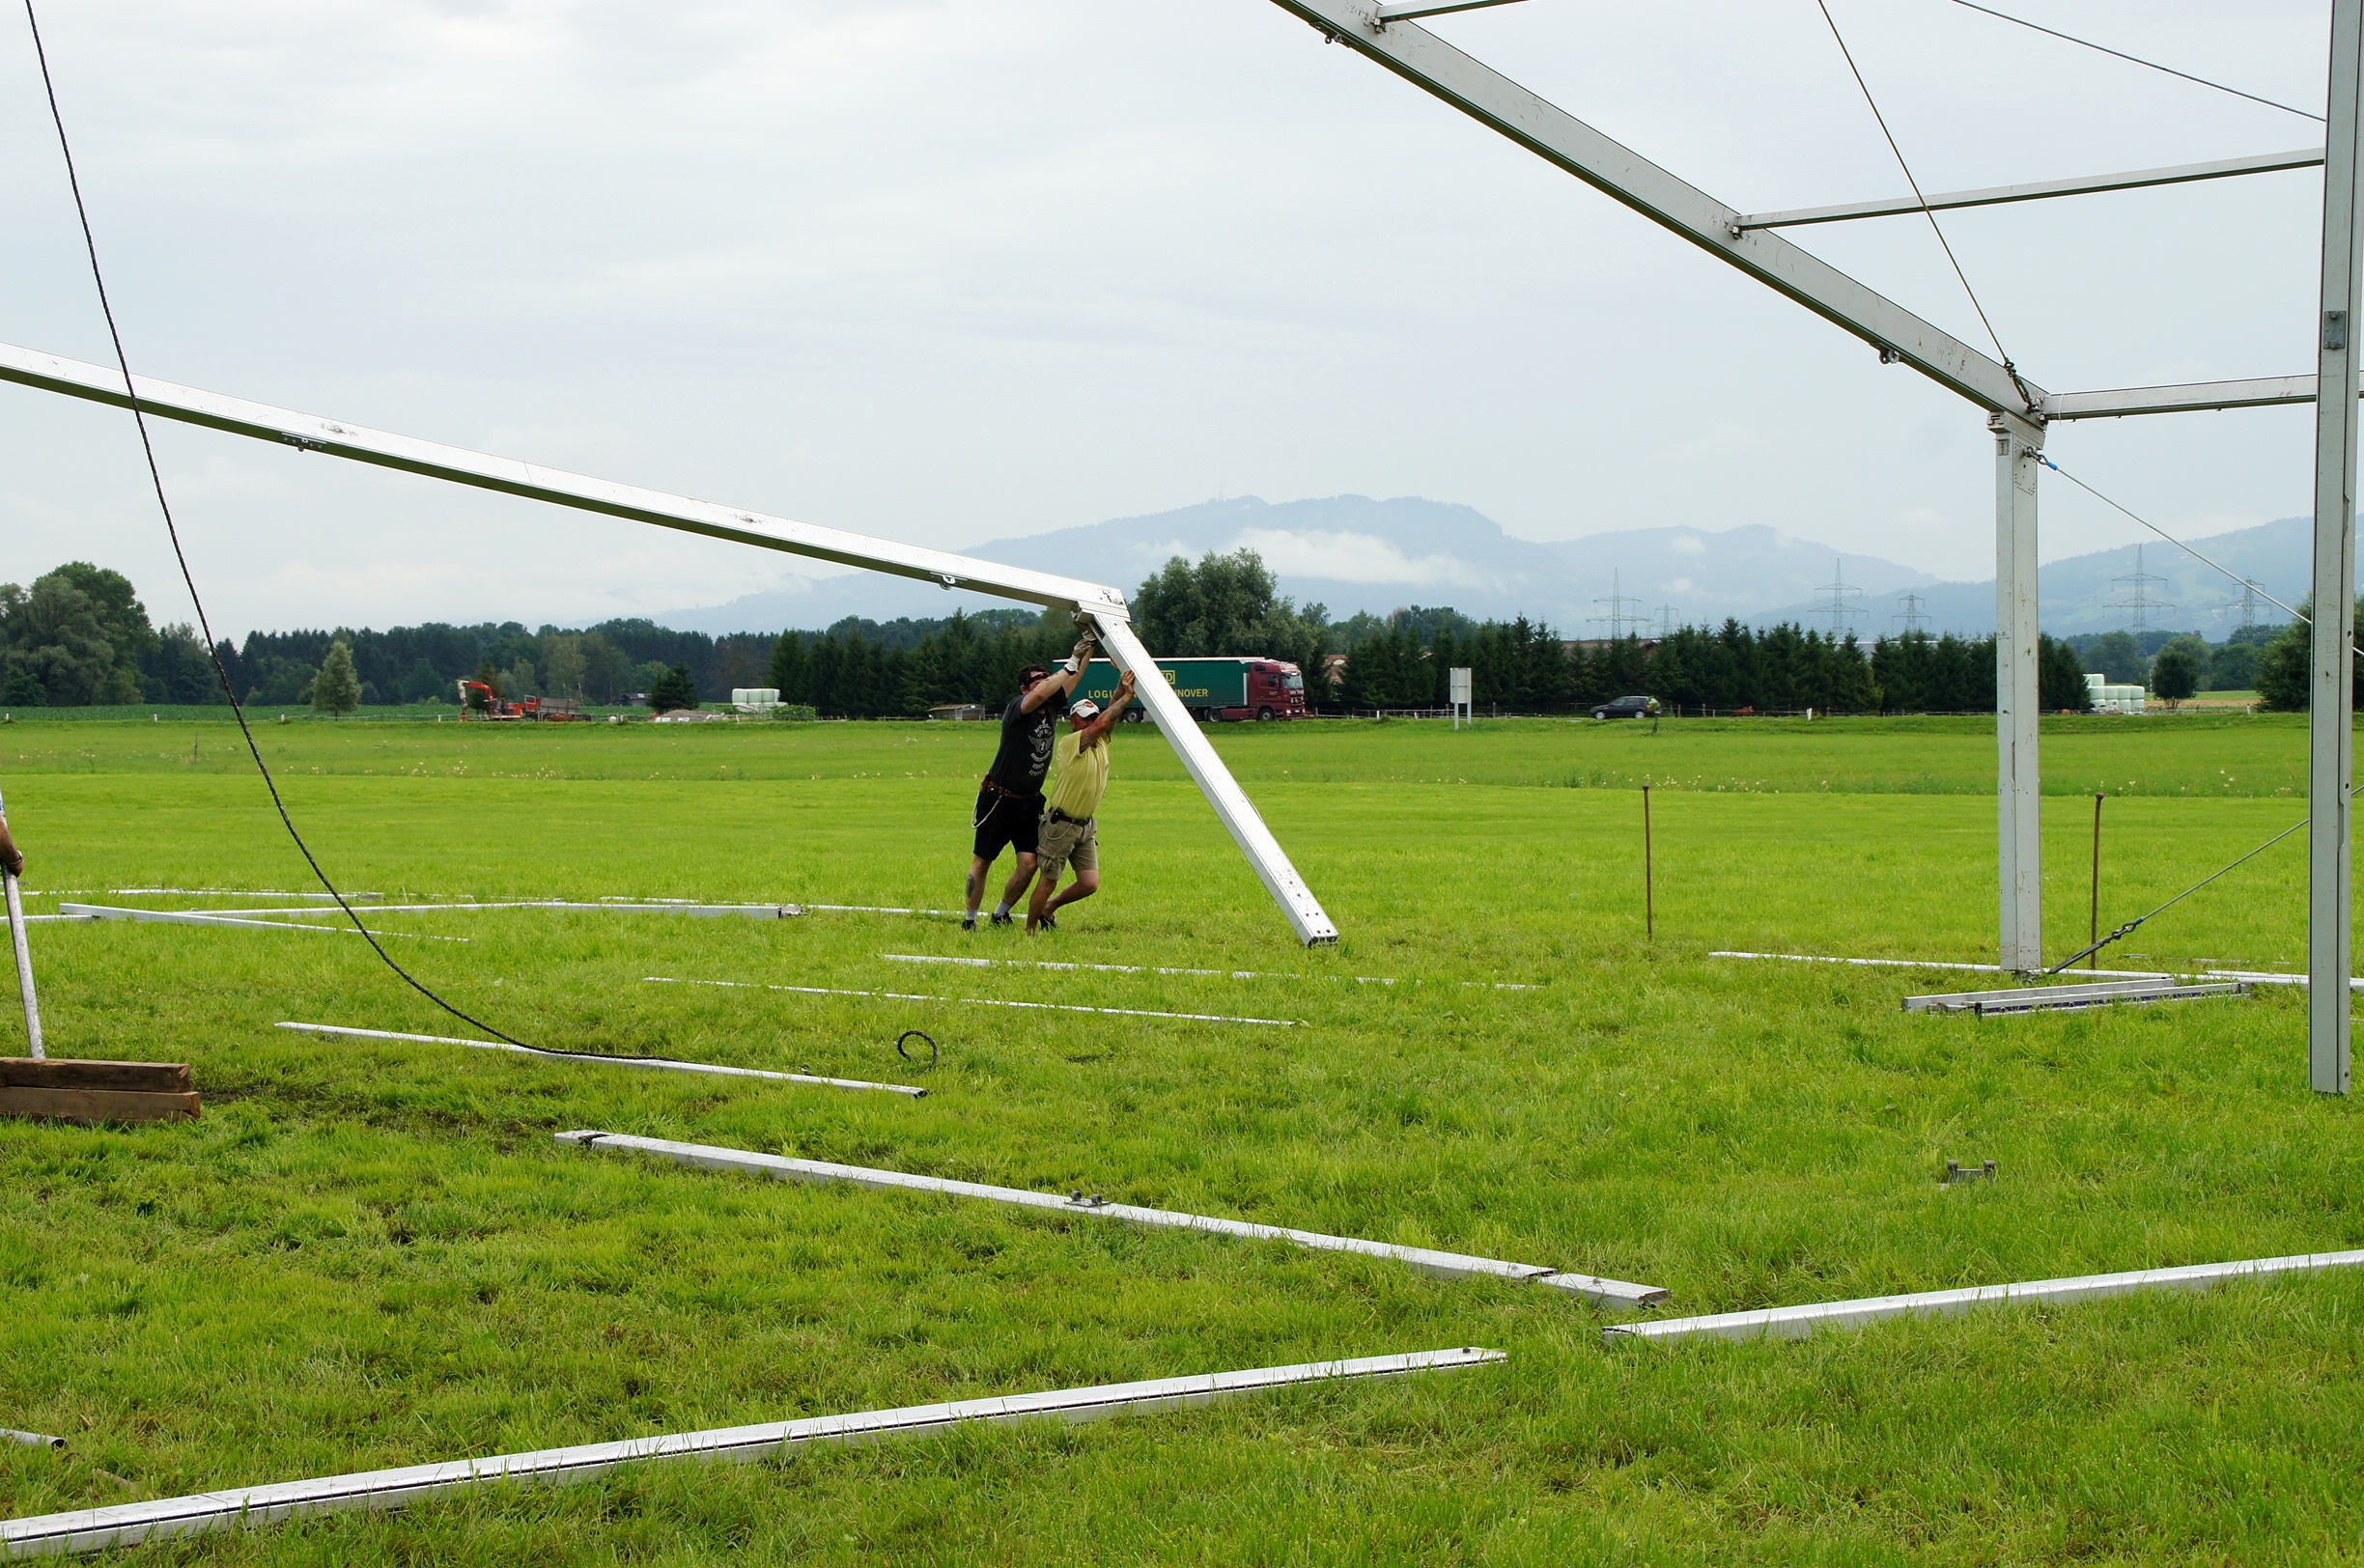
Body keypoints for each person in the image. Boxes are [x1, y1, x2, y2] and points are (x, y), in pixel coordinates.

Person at [965, 633, 1096, 930]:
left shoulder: (1052, 704)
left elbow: (1073, 677)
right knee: (983, 861)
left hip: (1029, 802)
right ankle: (969, 920)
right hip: (999, 798)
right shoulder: (1019, 707)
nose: (1046, 682)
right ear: (1024, 688)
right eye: (1039, 679)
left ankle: (1001, 914)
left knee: (1029, 863)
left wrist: (1089, 646)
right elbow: (1043, 691)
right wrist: (1071, 661)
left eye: (1047, 676)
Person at [1028, 669, 1135, 934]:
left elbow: (1110, 712)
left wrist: (1122, 683)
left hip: (1085, 825)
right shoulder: (1071, 743)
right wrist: (1127, 698)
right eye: (1085, 718)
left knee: (1089, 884)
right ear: (1073, 723)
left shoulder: (1102, 741)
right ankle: (1029, 931)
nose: (1092, 722)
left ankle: (1048, 909)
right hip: (1061, 825)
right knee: (1048, 881)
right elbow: (1103, 722)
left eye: (1094, 717)